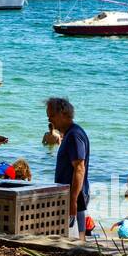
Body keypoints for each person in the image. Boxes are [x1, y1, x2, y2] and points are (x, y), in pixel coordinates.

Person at [46, 97, 89, 235]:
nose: (49, 120)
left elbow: (79, 168)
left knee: (73, 237)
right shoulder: (70, 133)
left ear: (63, 114)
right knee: (74, 236)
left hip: (74, 196)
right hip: (71, 195)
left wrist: (73, 200)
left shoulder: (74, 135)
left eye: (51, 115)